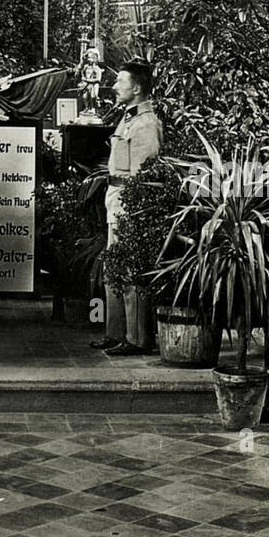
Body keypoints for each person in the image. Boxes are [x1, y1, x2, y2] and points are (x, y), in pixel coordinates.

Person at [90, 59, 163, 357]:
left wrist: (134, 212)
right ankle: (116, 332)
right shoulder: (129, 118)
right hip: (116, 200)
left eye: (120, 81)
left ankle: (137, 338)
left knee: (130, 271)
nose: (115, 86)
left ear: (136, 87)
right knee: (115, 268)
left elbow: (143, 178)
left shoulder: (145, 124)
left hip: (129, 204)